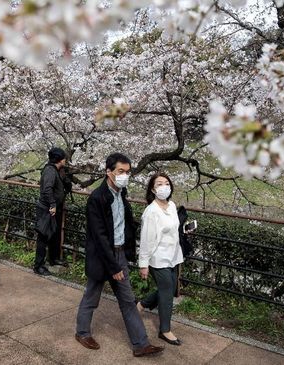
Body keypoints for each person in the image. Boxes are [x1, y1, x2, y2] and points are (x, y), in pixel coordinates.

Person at [75, 153, 164, 358]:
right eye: (120, 172)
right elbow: (99, 236)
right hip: (103, 256)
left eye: (127, 172)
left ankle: (141, 344)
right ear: (109, 172)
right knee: (92, 296)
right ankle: (82, 332)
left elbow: (122, 225)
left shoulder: (121, 194)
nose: (124, 176)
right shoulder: (97, 198)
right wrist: (114, 267)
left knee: (127, 299)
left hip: (119, 253)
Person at [137, 172, 184, 346]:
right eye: (159, 184)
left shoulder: (171, 205)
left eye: (166, 183)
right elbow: (146, 240)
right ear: (153, 189)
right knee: (166, 292)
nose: (163, 187)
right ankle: (165, 330)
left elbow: (173, 229)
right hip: (157, 258)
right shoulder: (151, 212)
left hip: (172, 256)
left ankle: (141, 305)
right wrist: (143, 265)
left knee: (169, 289)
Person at [33, 147, 68, 276]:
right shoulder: (49, 171)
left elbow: (61, 183)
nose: (65, 160)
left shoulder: (56, 170)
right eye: (64, 158)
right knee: (43, 236)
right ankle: (38, 266)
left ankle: (53, 259)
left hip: (53, 208)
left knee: (54, 234)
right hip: (46, 209)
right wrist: (53, 204)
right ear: (59, 159)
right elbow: (47, 189)